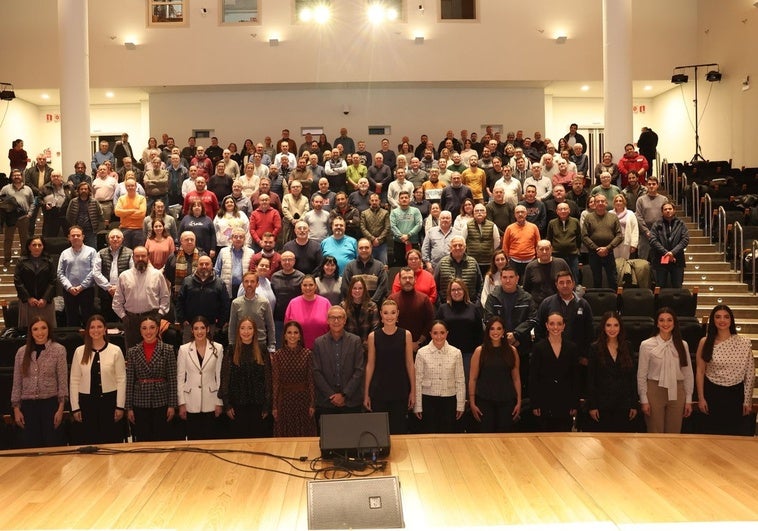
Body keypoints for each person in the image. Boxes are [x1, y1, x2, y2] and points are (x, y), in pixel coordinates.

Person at [695, 305, 754, 436]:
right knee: (711, 434)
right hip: (712, 393)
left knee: (734, 435)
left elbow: (749, 373)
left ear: (731, 320)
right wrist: (701, 398)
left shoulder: (743, 342)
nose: (722, 320)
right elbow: (700, 371)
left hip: (735, 394)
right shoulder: (705, 342)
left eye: (726, 317)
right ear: (713, 320)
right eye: (718, 317)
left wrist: (747, 400)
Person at [11, 317, 68, 448]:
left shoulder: (59, 350)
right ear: (31, 332)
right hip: (28, 407)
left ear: (49, 330)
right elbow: (17, 382)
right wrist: (16, 408)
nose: (40, 332)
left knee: (52, 444)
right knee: (31, 446)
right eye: (35, 329)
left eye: (43, 328)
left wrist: (60, 408)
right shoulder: (21, 352)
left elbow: (62, 380)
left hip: (50, 404)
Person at [70, 314, 127, 444]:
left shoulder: (115, 350)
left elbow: (121, 380)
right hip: (87, 403)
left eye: (99, 327)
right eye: (92, 327)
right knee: (90, 441)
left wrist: (120, 406)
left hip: (109, 402)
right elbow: (74, 380)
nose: (96, 330)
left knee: (111, 441)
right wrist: (75, 407)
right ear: (87, 330)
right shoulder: (79, 351)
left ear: (105, 329)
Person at [637, 308, 694, 434]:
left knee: (674, 432)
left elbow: (688, 373)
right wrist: (644, 399)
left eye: (669, 320)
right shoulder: (646, 345)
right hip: (654, 390)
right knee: (654, 430)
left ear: (674, 323)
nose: (665, 323)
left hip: (677, 390)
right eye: (661, 320)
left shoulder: (682, 344)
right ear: (657, 323)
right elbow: (641, 375)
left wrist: (688, 399)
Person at [364, 300, 415, 434]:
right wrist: (366, 394)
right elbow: (370, 365)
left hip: (400, 390)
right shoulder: (373, 336)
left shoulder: (406, 335)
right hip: (378, 390)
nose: (389, 316)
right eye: (386, 313)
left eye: (393, 312)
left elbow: (410, 364)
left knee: (399, 429)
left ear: (398, 314)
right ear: (381, 315)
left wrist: (413, 391)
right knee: (379, 431)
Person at [125, 315, 178, 442]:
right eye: (144, 328)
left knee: (162, 439)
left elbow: (172, 380)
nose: (148, 332)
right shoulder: (132, 352)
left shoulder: (168, 350)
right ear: (140, 330)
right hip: (139, 402)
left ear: (158, 329)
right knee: (143, 440)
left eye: (152, 327)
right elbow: (130, 381)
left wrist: (172, 405)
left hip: (162, 401)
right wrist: (129, 407)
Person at [586, 312, 639, 433]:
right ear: (603, 327)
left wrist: (633, 404)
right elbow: (591, 379)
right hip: (601, 405)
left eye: (616, 325)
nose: (612, 329)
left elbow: (632, 378)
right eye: (608, 325)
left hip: (623, 404)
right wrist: (592, 405)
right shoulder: (594, 348)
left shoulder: (628, 346)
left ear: (620, 327)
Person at [311, 305, 365, 422]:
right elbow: (316, 371)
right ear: (327, 320)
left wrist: (344, 395)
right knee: (329, 439)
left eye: (339, 317)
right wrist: (331, 395)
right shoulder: (318, 343)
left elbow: (359, 370)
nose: (336, 321)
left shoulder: (355, 341)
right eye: (332, 317)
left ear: (345, 320)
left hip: (351, 401)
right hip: (326, 402)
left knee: (352, 438)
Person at [220, 317, 271, 438]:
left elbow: (268, 378)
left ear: (254, 331)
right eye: (242, 328)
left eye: (249, 328)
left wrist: (267, 405)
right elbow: (225, 378)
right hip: (237, 406)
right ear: (238, 331)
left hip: (258, 405)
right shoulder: (231, 350)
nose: (246, 332)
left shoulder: (262, 350)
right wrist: (227, 404)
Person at [112, 246, 171, 351]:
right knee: (132, 353)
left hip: (152, 318)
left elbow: (165, 297)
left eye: (143, 256)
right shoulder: (124, 276)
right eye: (137, 256)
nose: (140, 259)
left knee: (153, 353)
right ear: (133, 257)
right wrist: (123, 317)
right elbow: (117, 301)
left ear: (148, 256)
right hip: (131, 320)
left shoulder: (157, 275)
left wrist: (160, 314)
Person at [469, 317, 521, 433]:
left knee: (505, 438)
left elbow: (516, 378)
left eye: (499, 329)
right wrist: (472, 402)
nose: (495, 332)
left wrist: (518, 401)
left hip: (507, 401)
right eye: (492, 329)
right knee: (486, 438)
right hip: (484, 400)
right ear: (488, 331)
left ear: (503, 331)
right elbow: (473, 379)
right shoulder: (479, 351)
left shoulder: (512, 351)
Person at [529, 312, 580, 432]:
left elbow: (576, 377)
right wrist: (535, 403)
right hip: (544, 401)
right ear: (546, 325)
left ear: (563, 326)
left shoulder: (572, 348)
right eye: (552, 324)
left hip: (565, 401)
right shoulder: (538, 348)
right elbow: (533, 377)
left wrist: (574, 403)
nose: (555, 327)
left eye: (559, 324)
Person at [177, 316, 224, 440]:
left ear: (208, 329)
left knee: (211, 439)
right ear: (192, 331)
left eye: (202, 328)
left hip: (211, 400)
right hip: (190, 402)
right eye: (196, 328)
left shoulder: (218, 348)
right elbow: (180, 377)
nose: (199, 332)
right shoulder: (184, 350)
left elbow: (219, 376)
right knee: (194, 440)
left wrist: (219, 402)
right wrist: (181, 403)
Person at [413, 320, 465, 434]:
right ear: (430, 334)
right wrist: (418, 405)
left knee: (447, 435)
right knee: (429, 435)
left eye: (442, 332)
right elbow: (417, 380)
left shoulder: (456, 353)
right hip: (428, 399)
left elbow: (460, 380)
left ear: (447, 333)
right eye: (435, 333)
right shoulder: (422, 353)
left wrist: (460, 404)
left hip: (449, 400)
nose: (439, 336)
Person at [271, 320, 316, 437]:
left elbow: (311, 380)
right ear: (285, 335)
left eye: (296, 333)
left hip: (303, 401)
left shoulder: (307, 354)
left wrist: (312, 403)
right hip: (284, 401)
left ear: (300, 336)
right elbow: (275, 382)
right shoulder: (277, 355)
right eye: (289, 332)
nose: (292, 335)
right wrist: (274, 405)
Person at [436, 278, 483, 383]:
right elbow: (436, 332)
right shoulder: (443, 309)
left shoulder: (473, 308)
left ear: (464, 291)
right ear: (449, 292)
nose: (456, 292)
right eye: (453, 290)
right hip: (447, 353)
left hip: (469, 354)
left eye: (459, 289)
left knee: (467, 383)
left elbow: (480, 332)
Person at [57, 225, 98, 327]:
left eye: (78, 235)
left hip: (87, 290)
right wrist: (69, 287)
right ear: (69, 237)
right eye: (73, 235)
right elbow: (60, 272)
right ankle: (73, 341)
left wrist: (81, 287)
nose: (75, 237)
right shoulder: (64, 253)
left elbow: (94, 271)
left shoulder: (91, 251)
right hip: (69, 291)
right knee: (71, 319)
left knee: (88, 319)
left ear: (83, 237)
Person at [14, 236, 57, 328]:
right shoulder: (21, 261)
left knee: (47, 328)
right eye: (34, 245)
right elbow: (18, 281)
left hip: (45, 302)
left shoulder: (49, 261)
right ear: (29, 247)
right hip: (27, 302)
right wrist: (29, 298)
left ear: (43, 247)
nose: (37, 247)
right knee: (28, 329)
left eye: (39, 245)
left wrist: (45, 298)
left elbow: (53, 281)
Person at [581, 195, 622, 290]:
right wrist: (596, 248)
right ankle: (598, 302)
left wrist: (607, 248)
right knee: (596, 279)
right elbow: (584, 236)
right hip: (594, 253)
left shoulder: (613, 217)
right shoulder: (588, 217)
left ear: (606, 203)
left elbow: (619, 235)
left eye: (602, 201)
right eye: (598, 201)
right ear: (594, 204)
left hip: (609, 252)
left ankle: (615, 301)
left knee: (613, 279)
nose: (600, 203)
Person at [649, 200, 689, 289]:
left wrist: (672, 253)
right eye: (665, 209)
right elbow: (652, 240)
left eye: (670, 209)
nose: (668, 211)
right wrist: (666, 253)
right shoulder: (656, 224)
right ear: (662, 212)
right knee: (660, 287)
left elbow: (685, 240)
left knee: (677, 286)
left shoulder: (681, 224)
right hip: (660, 259)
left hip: (677, 259)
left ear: (674, 210)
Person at [283, 275, 331, 349]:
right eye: (305, 285)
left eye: (311, 285)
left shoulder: (325, 303)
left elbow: (332, 326)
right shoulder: (293, 303)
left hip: (322, 348)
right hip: (299, 350)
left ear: (315, 286)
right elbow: (287, 328)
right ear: (301, 287)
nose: (308, 288)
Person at [1, 169, 35, 267]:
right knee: (8, 239)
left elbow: (33, 202)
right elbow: (1, 201)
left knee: (24, 239)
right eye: (14, 175)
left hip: (24, 217)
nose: (16, 177)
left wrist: (30, 213)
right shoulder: (5, 188)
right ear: (11, 177)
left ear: (21, 176)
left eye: (18, 175)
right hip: (10, 218)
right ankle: (7, 259)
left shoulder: (28, 189)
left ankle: (24, 258)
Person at [341, 276, 380, 354]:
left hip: (367, 347)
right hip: (348, 347)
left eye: (360, 288)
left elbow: (375, 327)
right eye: (354, 288)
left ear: (364, 290)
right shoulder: (343, 306)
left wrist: (367, 343)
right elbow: (341, 327)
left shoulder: (372, 306)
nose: (357, 291)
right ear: (350, 290)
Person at [611, 194, 639, 260]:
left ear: (624, 203)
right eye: (616, 201)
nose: (618, 202)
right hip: (613, 242)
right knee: (614, 263)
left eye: (620, 201)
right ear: (614, 203)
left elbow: (635, 229)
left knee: (625, 262)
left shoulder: (630, 213)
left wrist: (634, 244)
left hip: (626, 242)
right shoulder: (610, 214)